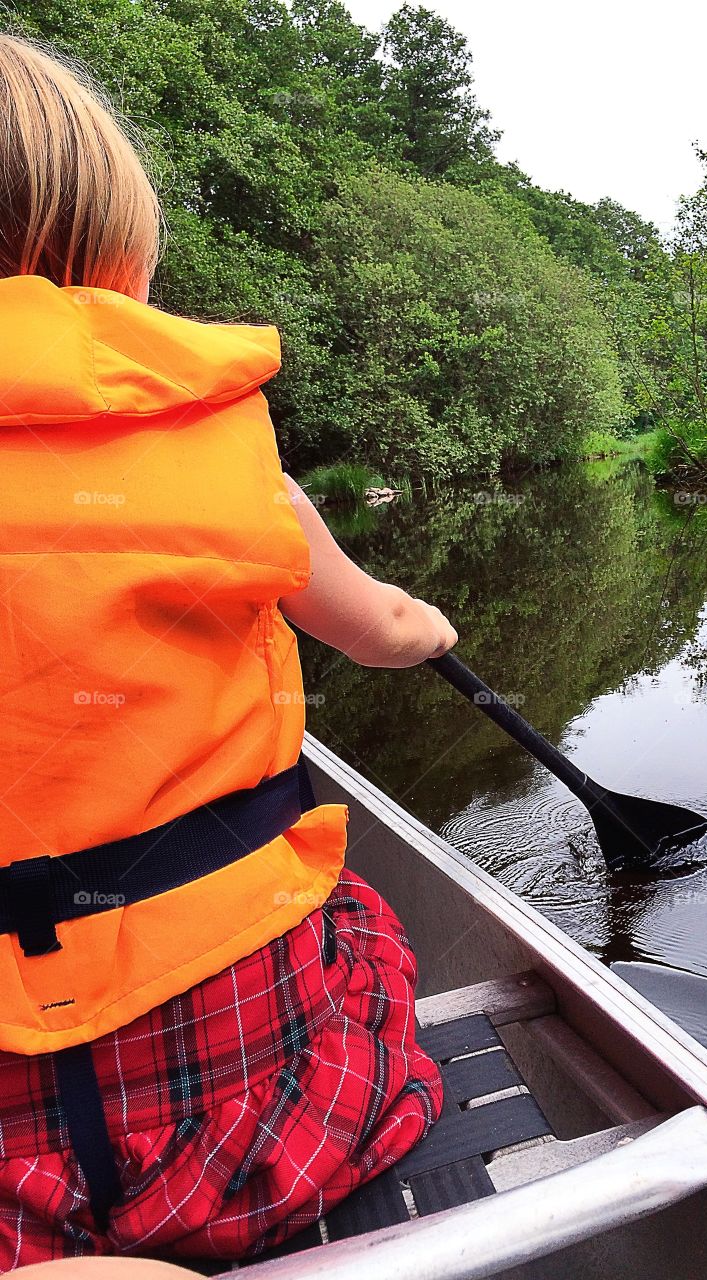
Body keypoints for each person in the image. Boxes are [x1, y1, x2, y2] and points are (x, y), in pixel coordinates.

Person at [0, 31, 457, 1269]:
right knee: (358, 918)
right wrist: (438, 626)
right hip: (253, 1105)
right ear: (120, 258)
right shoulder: (231, 463)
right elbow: (385, 629)